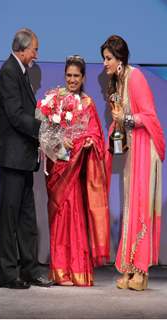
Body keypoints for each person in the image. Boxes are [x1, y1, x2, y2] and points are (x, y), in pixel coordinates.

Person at [37, 55, 110, 286]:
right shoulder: (54, 100)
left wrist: (88, 142)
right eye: (68, 75)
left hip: (76, 171)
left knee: (75, 218)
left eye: (76, 76)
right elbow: (45, 134)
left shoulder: (87, 103)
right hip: (59, 168)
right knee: (59, 220)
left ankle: (77, 270)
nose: (71, 80)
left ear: (83, 77)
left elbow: (96, 135)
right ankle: (60, 271)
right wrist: (60, 140)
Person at [100, 35, 165, 290]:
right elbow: (122, 123)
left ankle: (142, 271)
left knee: (141, 205)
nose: (104, 63)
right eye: (104, 59)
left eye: (108, 58)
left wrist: (124, 119)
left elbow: (149, 116)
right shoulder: (118, 82)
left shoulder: (135, 76)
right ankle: (128, 267)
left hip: (146, 147)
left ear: (120, 58)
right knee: (131, 205)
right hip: (133, 147)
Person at [0, 28, 52, 289]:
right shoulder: (8, 72)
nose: (36, 54)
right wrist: (44, 128)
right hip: (12, 158)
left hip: (24, 158)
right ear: (22, 49)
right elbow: (16, 115)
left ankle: (30, 270)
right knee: (9, 217)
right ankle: (8, 274)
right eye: (34, 49)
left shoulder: (21, 72)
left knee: (27, 218)